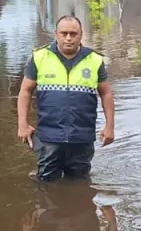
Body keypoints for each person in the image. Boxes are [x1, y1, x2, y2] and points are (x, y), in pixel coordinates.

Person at [18, 15, 115, 181]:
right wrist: (22, 124)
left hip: (82, 136)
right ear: (56, 34)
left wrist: (110, 127)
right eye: (64, 34)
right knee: (47, 183)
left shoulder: (94, 60)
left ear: (81, 35)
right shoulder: (40, 57)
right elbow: (25, 91)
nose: (68, 38)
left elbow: (106, 94)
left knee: (80, 183)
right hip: (49, 136)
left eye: (73, 34)